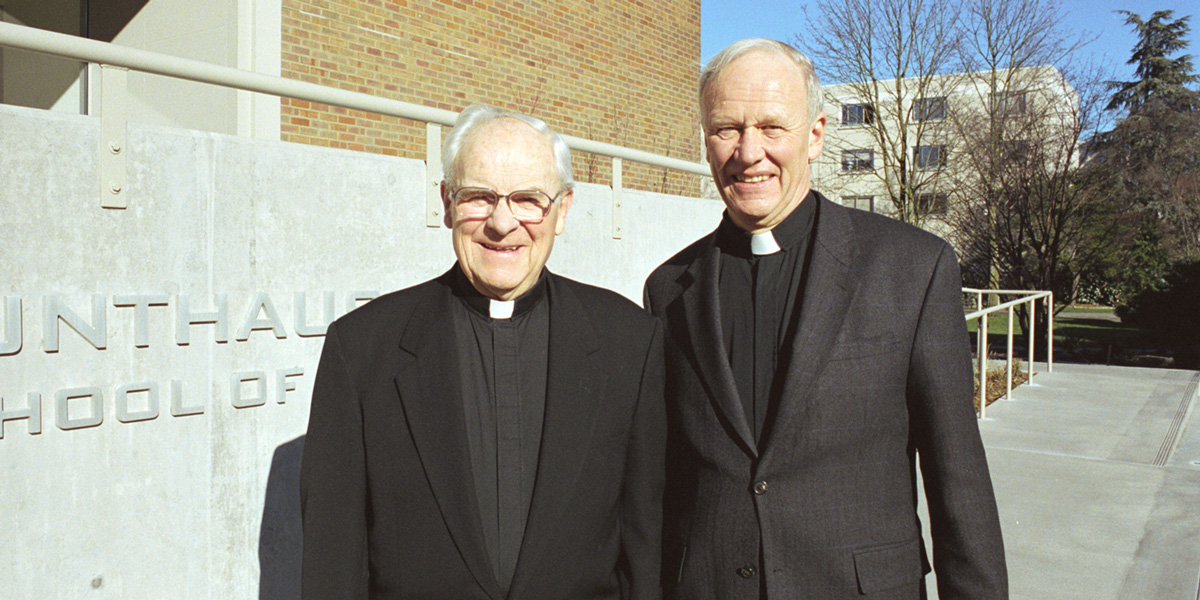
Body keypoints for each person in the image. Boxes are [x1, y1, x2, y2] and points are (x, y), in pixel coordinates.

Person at [643, 39, 1007, 599]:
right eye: (726, 129)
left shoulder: (912, 268)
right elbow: (662, 481)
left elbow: (957, 473)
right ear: (706, 142)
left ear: (814, 135)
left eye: (772, 127)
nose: (748, 152)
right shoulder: (668, 288)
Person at [301, 104, 665, 600]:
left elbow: (646, 548)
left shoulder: (630, 342)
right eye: (478, 197)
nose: (501, 222)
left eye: (528, 199)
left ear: (562, 210)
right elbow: (332, 562)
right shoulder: (362, 350)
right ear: (448, 202)